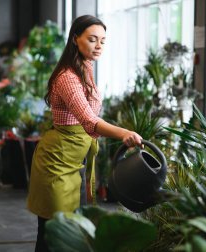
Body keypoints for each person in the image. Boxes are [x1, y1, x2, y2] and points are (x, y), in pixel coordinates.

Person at [27, 15, 143, 252]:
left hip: (71, 160)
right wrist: (123, 133)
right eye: (92, 39)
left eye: (103, 40)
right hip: (56, 163)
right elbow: (89, 120)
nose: (99, 45)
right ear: (75, 39)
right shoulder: (68, 77)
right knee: (52, 232)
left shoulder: (85, 70)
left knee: (66, 231)